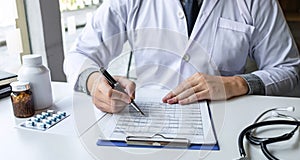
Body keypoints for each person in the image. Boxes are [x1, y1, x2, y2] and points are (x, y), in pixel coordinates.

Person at [64, 0, 300, 114]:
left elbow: (289, 69)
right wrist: (94, 82)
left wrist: (238, 83)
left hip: (227, 121)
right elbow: (79, 54)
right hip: (151, 120)